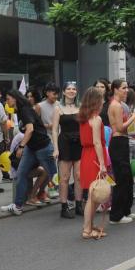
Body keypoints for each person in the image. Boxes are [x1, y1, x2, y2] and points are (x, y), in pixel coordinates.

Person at [1, 89, 56, 215]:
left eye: (8, 98)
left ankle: (70, 197)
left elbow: (30, 129)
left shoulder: (25, 110)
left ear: (15, 98)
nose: (6, 101)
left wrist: (21, 146)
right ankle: (17, 205)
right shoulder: (21, 111)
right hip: (32, 148)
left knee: (54, 174)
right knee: (21, 173)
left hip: (42, 147)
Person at [79, 87, 110, 239]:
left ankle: (89, 225)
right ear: (96, 101)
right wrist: (103, 164)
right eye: (102, 98)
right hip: (95, 157)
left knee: (94, 194)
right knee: (94, 196)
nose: (103, 101)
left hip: (86, 155)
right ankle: (86, 229)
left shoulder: (84, 117)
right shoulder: (96, 119)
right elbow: (97, 142)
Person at [107, 79, 135, 225]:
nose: (126, 90)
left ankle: (125, 210)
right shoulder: (116, 105)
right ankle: (116, 215)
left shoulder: (118, 105)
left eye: (127, 87)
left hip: (122, 142)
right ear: (115, 89)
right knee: (121, 179)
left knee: (127, 178)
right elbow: (119, 127)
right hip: (118, 142)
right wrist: (134, 118)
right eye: (124, 88)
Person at [53, 82, 82, 218]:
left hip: (79, 142)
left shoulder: (80, 107)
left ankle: (79, 205)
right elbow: (54, 130)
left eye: (74, 89)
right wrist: (55, 149)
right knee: (64, 177)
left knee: (78, 176)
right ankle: (64, 207)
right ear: (63, 92)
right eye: (69, 89)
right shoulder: (58, 108)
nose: (71, 91)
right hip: (64, 142)